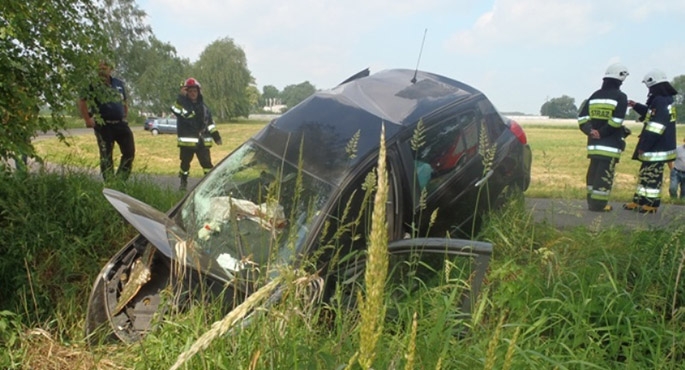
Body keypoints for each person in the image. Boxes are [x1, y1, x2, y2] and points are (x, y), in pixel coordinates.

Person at [623, 69, 679, 213]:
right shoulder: (664, 100)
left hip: (656, 147)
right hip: (659, 145)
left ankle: (651, 204)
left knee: (653, 176)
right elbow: (650, 113)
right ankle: (639, 201)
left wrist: (645, 146)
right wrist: (635, 105)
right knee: (645, 174)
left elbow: (656, 127)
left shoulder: (660, 101)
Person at [577, 63, 630, 212]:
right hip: (610, 145)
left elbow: (582, 118)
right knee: (604, 175)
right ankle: (599, 205)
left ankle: (591, 202)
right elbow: (616, 121)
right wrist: (602, 133)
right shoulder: (621, 96)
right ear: (620, 79)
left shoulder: (595, 95)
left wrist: (591, 131)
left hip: (594, 145)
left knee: (593, 173)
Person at [77, 61, 135, 181]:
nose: (103, 70)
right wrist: (87, 119)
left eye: (105, 67)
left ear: (110, 69)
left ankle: (120, 181)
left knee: (129, 152)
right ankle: (109, 183)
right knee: (106, 156)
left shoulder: (118, 83)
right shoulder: (92, 84)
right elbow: (82, 101)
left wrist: (125, 116)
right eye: (100, 67)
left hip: (120, 124)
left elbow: (124, 101)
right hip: (103, 125)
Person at [171, 77, 222, 191]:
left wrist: (216, 136)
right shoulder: (182, 105)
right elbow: (175, 110)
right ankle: (183, 183)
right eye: (190, 91)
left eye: (195, 91)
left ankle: (209, 186)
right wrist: (181, 97)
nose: (193, 93)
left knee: (207, 165)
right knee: (185, 165)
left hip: (202, 142)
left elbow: (210, 124)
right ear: (186, 92)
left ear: (198, 92)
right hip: (187, 144)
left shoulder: (204, 108)